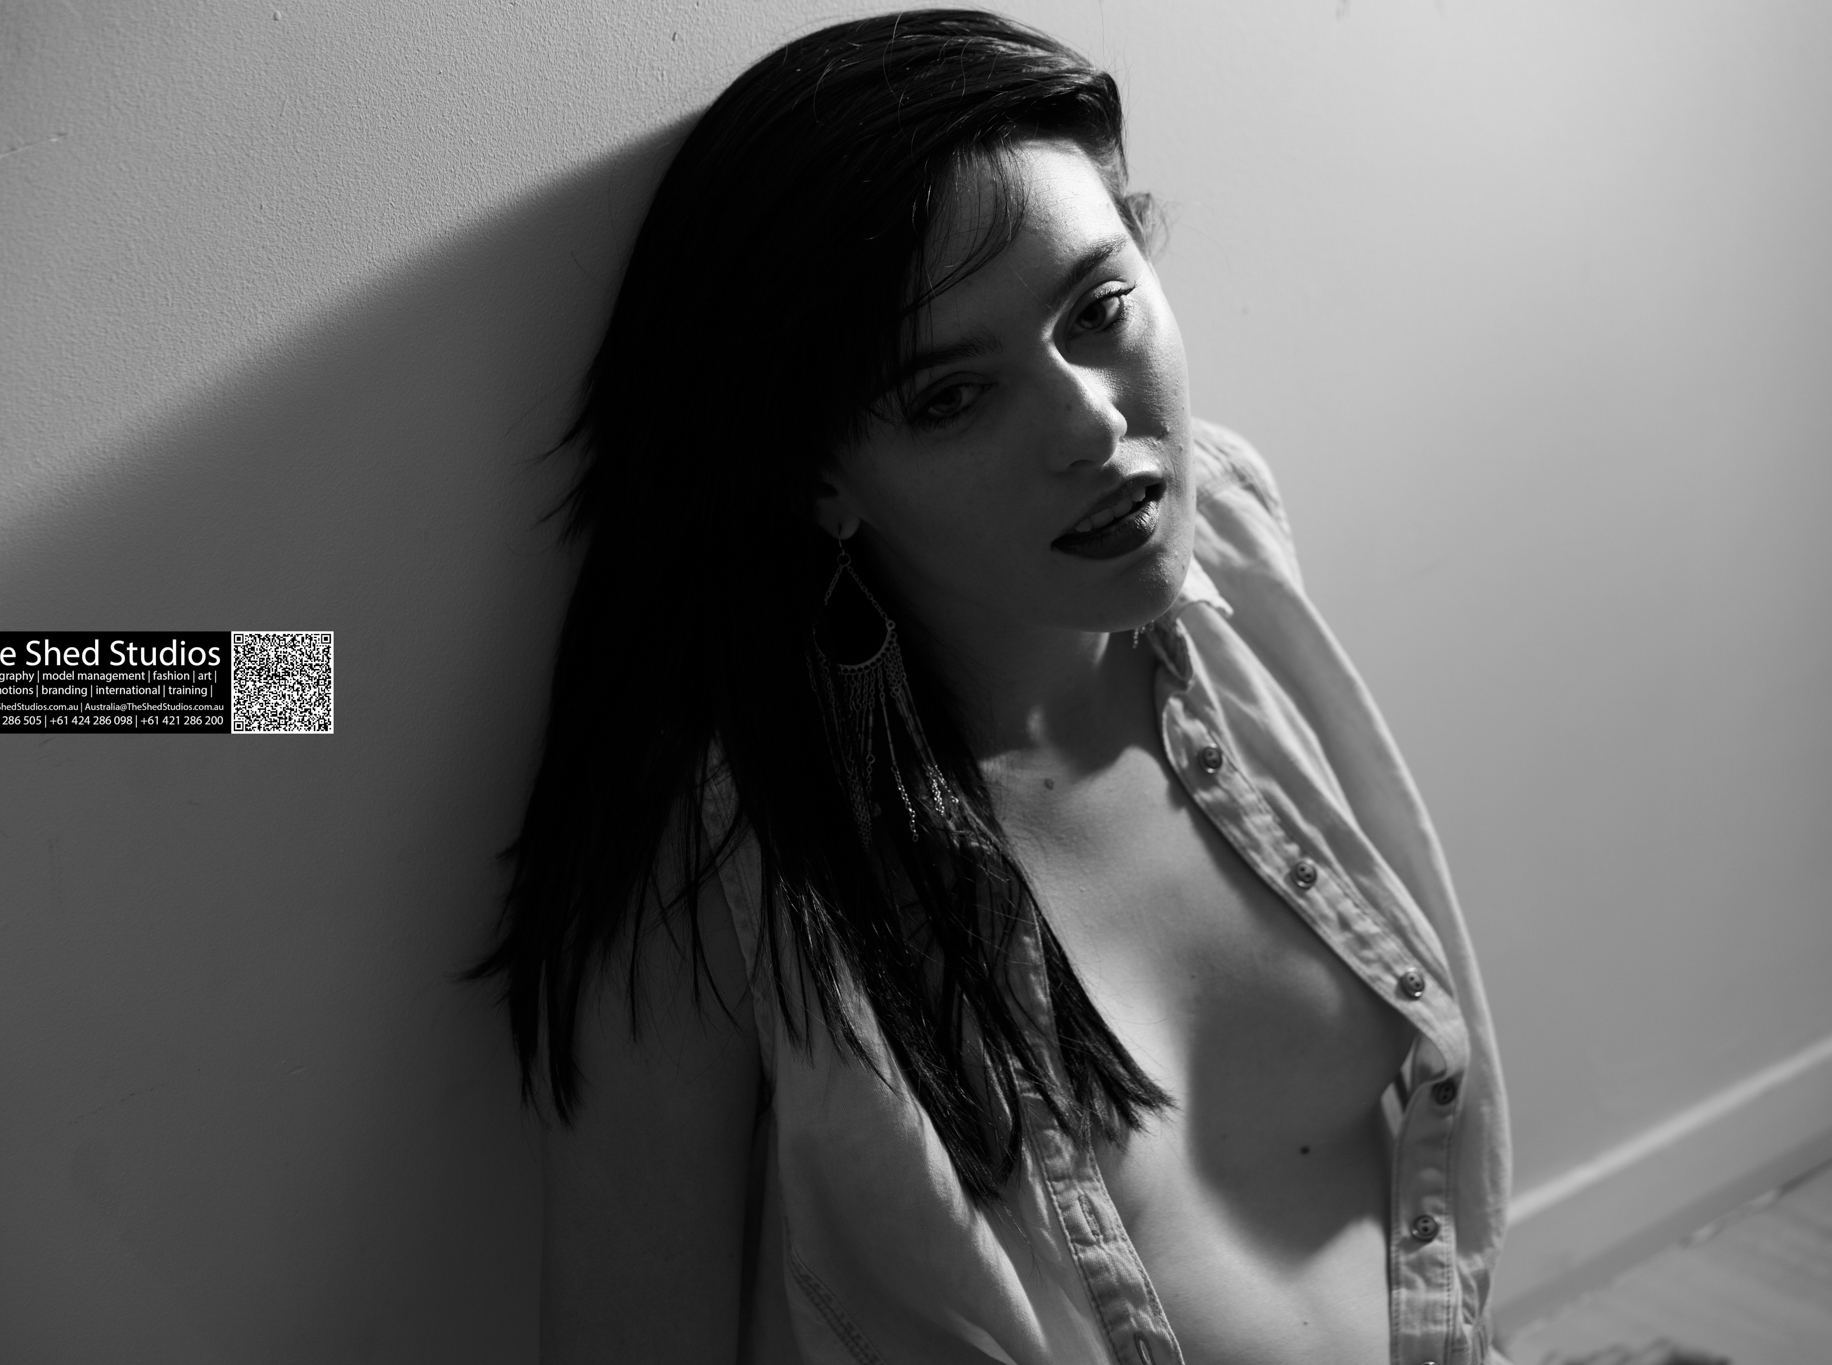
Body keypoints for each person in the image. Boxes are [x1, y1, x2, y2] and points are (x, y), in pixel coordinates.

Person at [475, 12, 1716, 1365]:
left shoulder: (1230, 537)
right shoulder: (722, 879)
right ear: (819, 478)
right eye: (951, 397)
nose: (1091, 422)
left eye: (1100, 311)